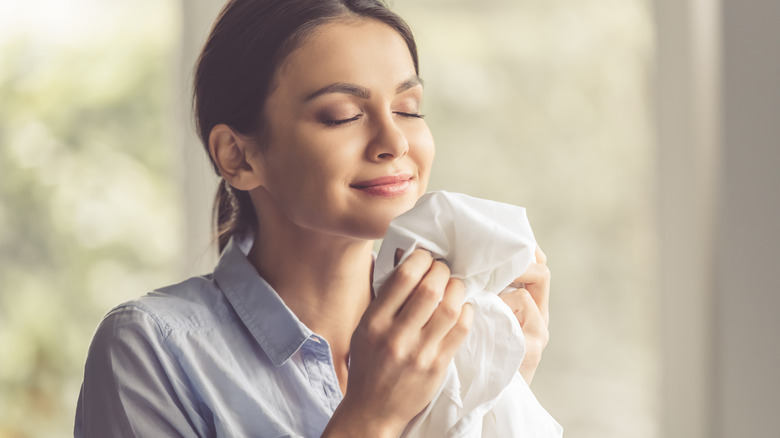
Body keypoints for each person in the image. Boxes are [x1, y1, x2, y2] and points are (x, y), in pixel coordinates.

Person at [74, 0, 552, 436]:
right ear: (238, 156)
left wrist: (502, 385)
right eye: (342, 115)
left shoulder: (451, 339)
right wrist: (372, 417)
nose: (395, 141)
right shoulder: (149, 348)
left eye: (408, 109)